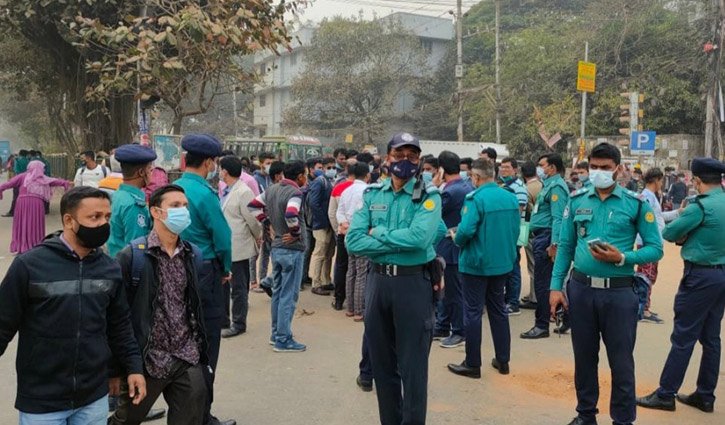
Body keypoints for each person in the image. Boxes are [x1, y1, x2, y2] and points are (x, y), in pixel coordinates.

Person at [0, 186, 147, 424]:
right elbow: (3, 323)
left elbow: (119, 326)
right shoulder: (30, 266)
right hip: (42, 401)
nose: (103, 224)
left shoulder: (109, 268)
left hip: (93, 398)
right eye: (94, 217)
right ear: (69, 220)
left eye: (107, 217)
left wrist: (132, 368)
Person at [549, 143, 663, 425]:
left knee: (621, 361)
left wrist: (623, 257)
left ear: (618, 169)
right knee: (584, 358)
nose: (599, 173)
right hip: (581, 290)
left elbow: (655, 248)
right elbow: (565, 247)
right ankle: (585, 414)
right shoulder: (576, 201)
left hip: (619, 293)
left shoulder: (635, 204)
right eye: (594, 167)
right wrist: (555, 287)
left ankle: (623, 419)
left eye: (605, 168)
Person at [346, 132, 445, 425]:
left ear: (419, 160)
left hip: (412, 285)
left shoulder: (430, 197)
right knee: (383, 366)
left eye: (412, 156)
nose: (405, 161)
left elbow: (420, 238)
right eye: (399, 155)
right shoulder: (373, 194)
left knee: (413, 369)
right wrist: (394, 242)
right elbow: (353, 241)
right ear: (387, 158)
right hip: (378, 284)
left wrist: (378, 234)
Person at [110, 185, 209, 425]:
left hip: (186, 356)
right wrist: (115, 368)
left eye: (185, 206)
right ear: (156, 212)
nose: (183, 211)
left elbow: (195, 307)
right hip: (148, 360)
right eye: (175, 206)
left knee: (190, 418)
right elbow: (115, 316)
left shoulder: (193, 254)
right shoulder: (132, 256)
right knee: (126, 419)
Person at [636, 158, 725, 415]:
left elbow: (669, 233)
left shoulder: (700, 206)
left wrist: (688, 234)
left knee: (683, 336)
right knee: (711, 337)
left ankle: (666, 393)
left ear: (697, 181)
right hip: (720, 275)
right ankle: (705, 395)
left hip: (699, 276)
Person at [174, 134, 234, 425]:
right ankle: (202, 416)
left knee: (179, 342)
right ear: (209, 163)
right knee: (207, 345)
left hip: (173, 270)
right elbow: (222, 238)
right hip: (204, 272)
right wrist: (225, 269)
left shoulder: (171, 189)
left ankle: (183, 411)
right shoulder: (205, 194)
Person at [447, 159, 519, 380]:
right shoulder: (509, 197)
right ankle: (503, 359)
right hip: (502, 263)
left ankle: (472, 363)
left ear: (476, 177)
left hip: (476, 264)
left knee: (472, 311)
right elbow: (516, 229)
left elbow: (466, 231)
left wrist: (455, 237)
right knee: (498, 310)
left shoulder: (475, 199)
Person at [248, 160, 309, 352]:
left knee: (278, 293)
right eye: (305, 175)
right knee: (288, 296)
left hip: (277, 248)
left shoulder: (272, 189)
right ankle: (283, 338)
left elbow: (253, 205)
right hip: (292, 249)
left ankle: (276, 334)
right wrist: (296, 233)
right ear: (299, 176)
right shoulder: (295, 193)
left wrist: (267, 223)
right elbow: (292, 213)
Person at [521, 153, 569, 339]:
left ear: (552, 168)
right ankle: (567, 318)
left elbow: (558, 218)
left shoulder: (557, 187)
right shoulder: (548, 185)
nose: (539, 168)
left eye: (542, 165)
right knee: (549, 283)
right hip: (542, 236)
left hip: (547, 238)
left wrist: (554, 244)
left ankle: (541, 325)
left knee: (543, 285)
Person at [433, 150, 474, 348]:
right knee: (449, 290)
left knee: (453, 292)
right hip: (457, 246)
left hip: (450, 247)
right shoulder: (466, 186)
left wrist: (433, 187)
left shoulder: (448, 192)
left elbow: (431, 212)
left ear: (441, 170)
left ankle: (458, 331)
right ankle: (443, 325)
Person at [219, 156, 262, 338]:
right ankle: (224, 320)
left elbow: (253, 220)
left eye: (220, 169)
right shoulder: (227, 190)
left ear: (225, 172)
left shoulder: (243, 192)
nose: (218, 171)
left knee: (239, 289)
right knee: (224, 286)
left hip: (240, 246)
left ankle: (239, 323)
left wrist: (257, 237)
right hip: (227, 247)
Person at [635, 167, 682, 324]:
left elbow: (658, 217)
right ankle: (642, 307)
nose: (662, 183)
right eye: (661, 180)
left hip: (653, 242)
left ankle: (644, 305)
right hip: (648, 242)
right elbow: (647, 220)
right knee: (645, 275)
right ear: (655, 180)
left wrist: (677, 213)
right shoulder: (646, 197)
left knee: (650, 275)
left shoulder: (652, 197)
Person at [0, 160, 70, 253]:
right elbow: (56, 181)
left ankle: (22, 245)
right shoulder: (43, 179)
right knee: (35, 223)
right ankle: (36, 244)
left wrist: (1, 188)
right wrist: (65, 183)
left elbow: (9, 183)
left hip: (22, 204)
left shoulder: (23, 176)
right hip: (36, 205)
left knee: (23, 223)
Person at [107, 144, 157, 257]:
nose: (152, 174)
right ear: (141, 172)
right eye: (150, 169)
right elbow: (137, 248)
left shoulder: (118, 195)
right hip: (129, 267)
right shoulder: (133, 205)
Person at [336, 162, 371, 321]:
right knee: (362, 273)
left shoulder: (346, 190)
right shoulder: (367, 191)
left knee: (351, 271)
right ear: (367, 175)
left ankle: (350, 307)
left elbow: (340, 212)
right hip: (361, 234)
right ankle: (359, 310)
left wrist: (344, 224)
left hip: (348, 234)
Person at [499, 157, 528, 316]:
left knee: (513, 267)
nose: (503, 170)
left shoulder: (519, 187)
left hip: (513, 233)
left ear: (515, 170)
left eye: (507, 168)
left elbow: (518, 210)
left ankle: (513, 302)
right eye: (502, 167)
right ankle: (508, 298)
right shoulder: (502, 185)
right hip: (503, 233)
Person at [327, 159, 356, 310]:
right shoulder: (368, 189)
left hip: (342, 232)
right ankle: (356, 303)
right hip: (360, 235)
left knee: (341, 265)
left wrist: (337, 229)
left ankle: (339, 299)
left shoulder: (339, 188)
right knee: (358, 269)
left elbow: (332, 213)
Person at [307, 157, 336, 296]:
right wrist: (324, 220)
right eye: (328, 167)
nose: (332, 170)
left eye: (333, 167)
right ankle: (316, 283)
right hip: (321, 224)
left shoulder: (329, 182)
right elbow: (313, 203)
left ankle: (326, 281)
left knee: (329, 254)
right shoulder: (320, 182)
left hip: (328, 223)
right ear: (323, 168)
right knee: (319, 253)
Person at [520, 161, 542, 309]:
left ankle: (535, 297)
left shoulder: (526, 189)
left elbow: (527, 212)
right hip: (542, 230)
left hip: (530, 229)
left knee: (532, 264)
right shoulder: (542, 185)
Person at [3, 149, 29, 217]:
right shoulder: (28, 161)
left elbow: (16, 170)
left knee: (15, 197)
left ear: (20, 154)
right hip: (27, 181)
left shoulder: (17, 160)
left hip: (18, 180)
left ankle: (12, 212)